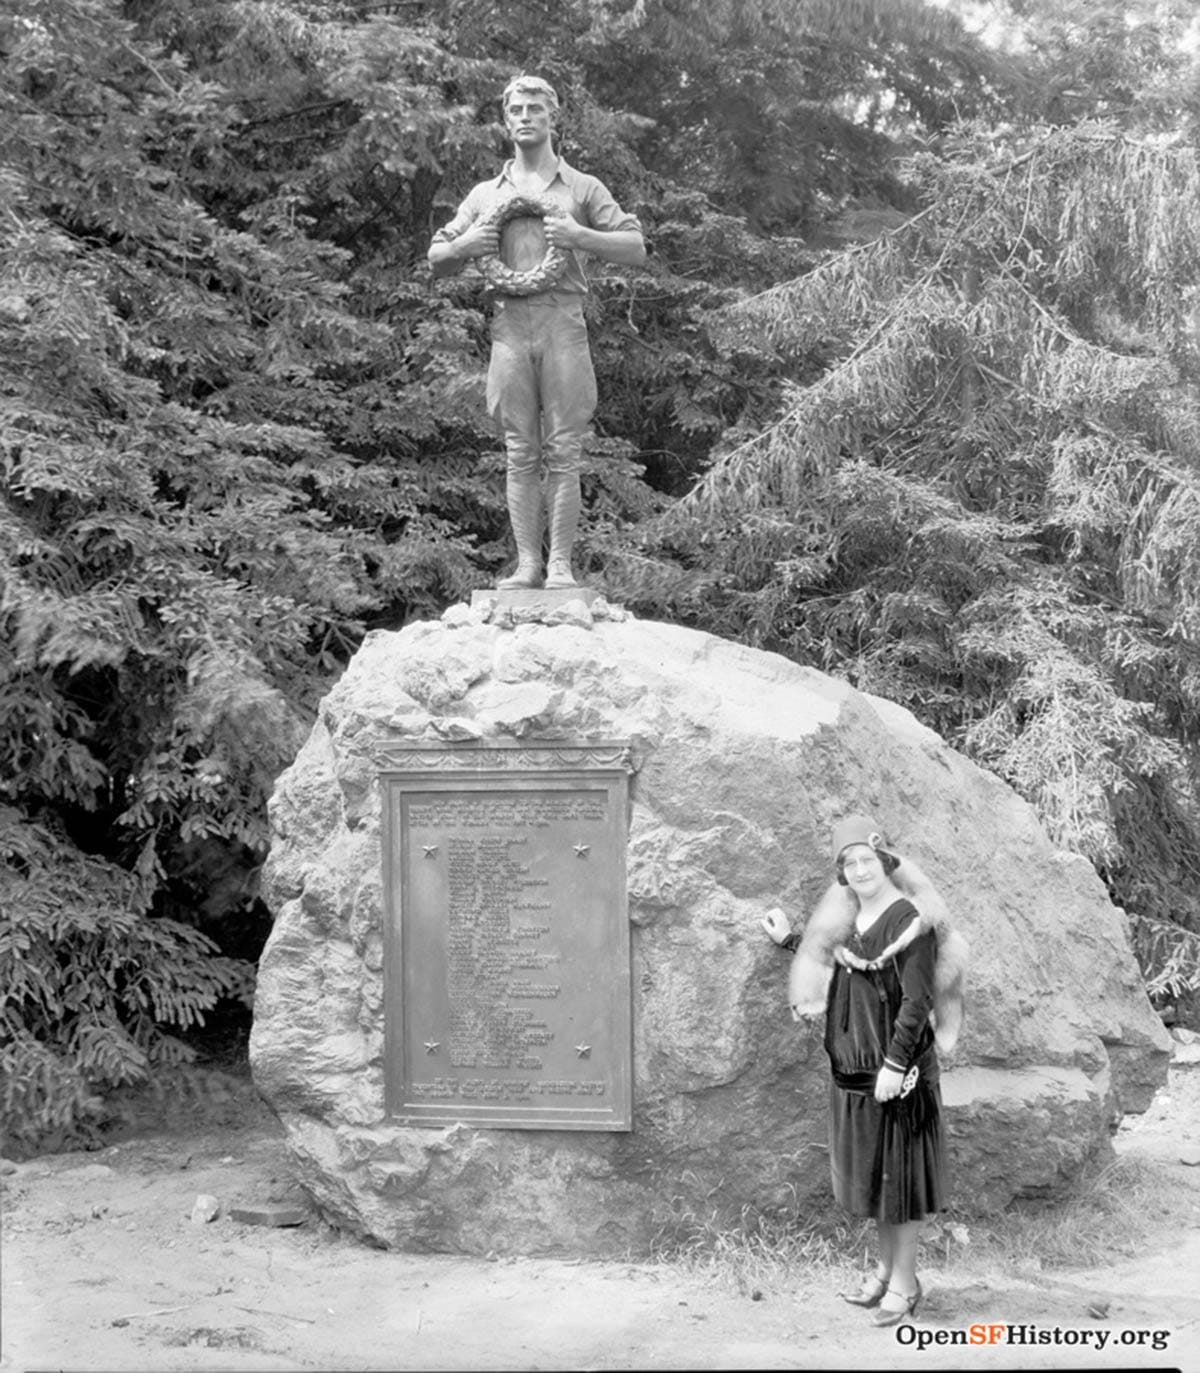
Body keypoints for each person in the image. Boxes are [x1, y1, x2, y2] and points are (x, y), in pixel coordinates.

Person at [427, 75, 646, 590]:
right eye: (516, 110)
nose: (525, 117)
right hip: (509, 325)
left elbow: (635, 246)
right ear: (506, 122)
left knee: (565, 448)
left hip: (562, 321)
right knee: (519, 449)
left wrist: (579, 236)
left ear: (553, 118)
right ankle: (527, 564)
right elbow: (437, 257)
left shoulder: (583, 187)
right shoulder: (486, 195)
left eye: (535, 109)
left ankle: (561, 567)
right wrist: (465, 246)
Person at [762, 815, 950, 1328]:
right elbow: (845, 965)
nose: (861, 868)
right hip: (855, 1077)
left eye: (869, 859)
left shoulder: (907, 919)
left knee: (901, 1184)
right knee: (878, 1182)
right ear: (842, 872)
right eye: (850, 862)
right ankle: (887, 1272)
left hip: (897, 1077)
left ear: (886, 862)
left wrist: (895, 1064)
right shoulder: (850, 923)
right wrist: (790, 941)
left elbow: (917, 1001)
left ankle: (907, 1284)